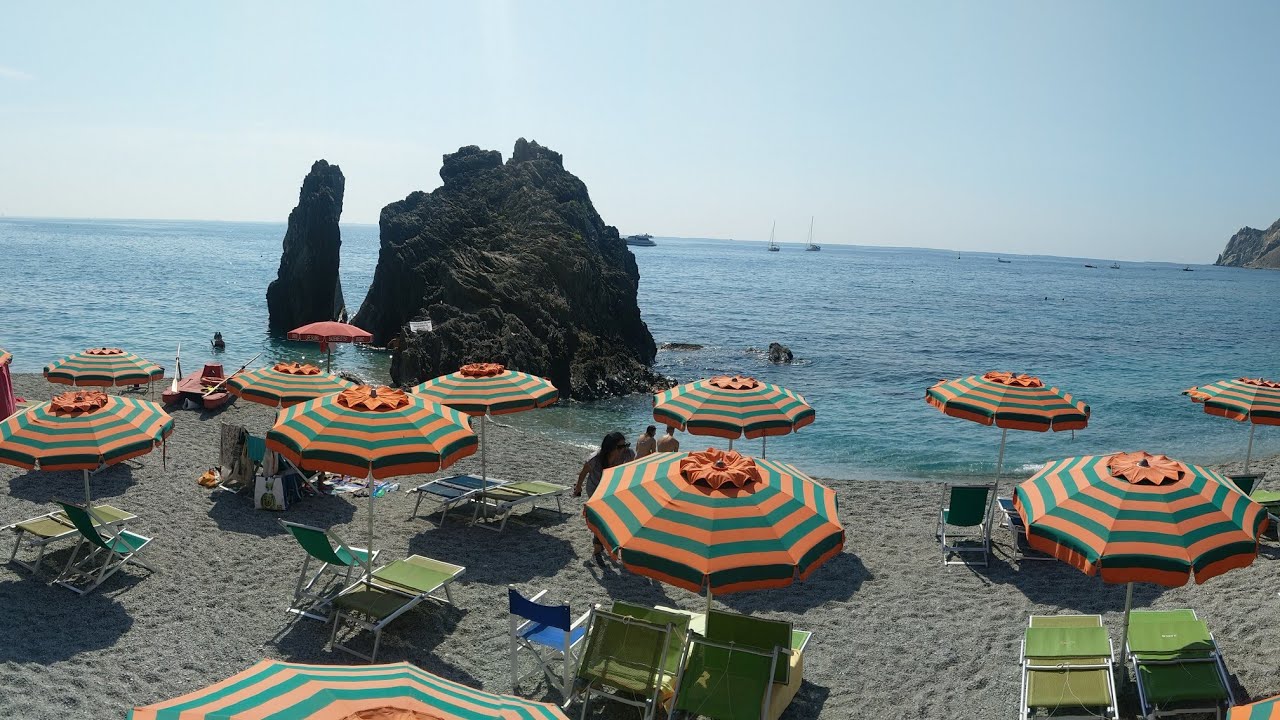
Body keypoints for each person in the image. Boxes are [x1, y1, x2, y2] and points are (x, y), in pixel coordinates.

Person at [574, 431, 634, 566]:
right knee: (602, 518)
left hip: (613, 488)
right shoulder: (595, 459)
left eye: (625, 445)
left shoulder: (628, 454)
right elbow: (583, 472)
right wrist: (578, 487)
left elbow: (632, 469)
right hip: (596, 489)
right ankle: (597, 550)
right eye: (620, 446)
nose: (624, 448)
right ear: (610, 447)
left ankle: (603, 545)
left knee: (612, 518)